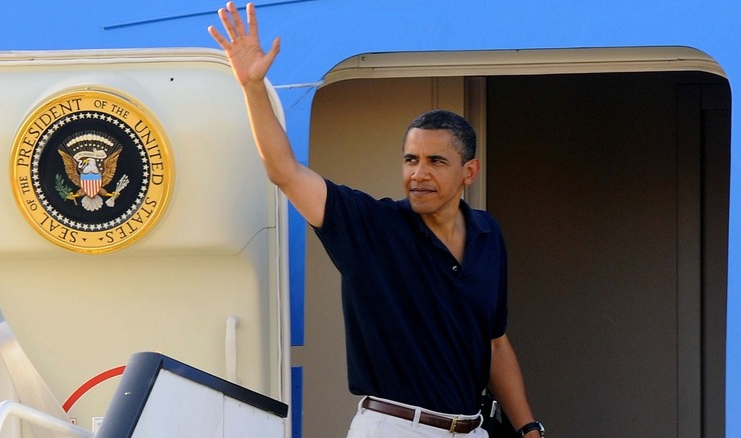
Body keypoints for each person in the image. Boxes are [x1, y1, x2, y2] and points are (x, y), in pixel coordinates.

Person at [208, 3, 544, 437]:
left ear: (469, 171)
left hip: (471, 430)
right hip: (394, 427)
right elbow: (284, 171)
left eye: (435, 161)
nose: (418, 173)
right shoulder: (370, 225)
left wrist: (529, 429)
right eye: (410, 159)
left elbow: (495, 342)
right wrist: (252, 87)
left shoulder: (487, 234)